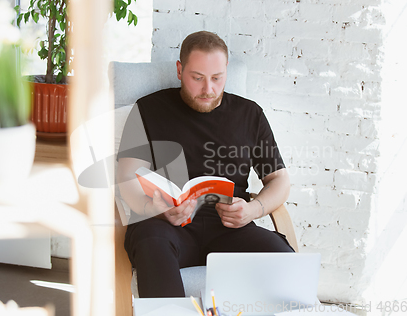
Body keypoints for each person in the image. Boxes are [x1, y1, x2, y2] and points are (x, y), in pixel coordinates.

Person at [117, 31, 294, 298]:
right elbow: (126, 176)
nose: (208, 89)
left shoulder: (250, 114)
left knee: (284, 259)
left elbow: (279, 179)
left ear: (226, 72)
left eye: (216, 78)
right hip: (165, 227)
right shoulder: (148, 109)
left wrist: (253, 210)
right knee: (151, 242)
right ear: (179, 70)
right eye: (197, 78)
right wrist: (150, 207)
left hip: (230, 230)